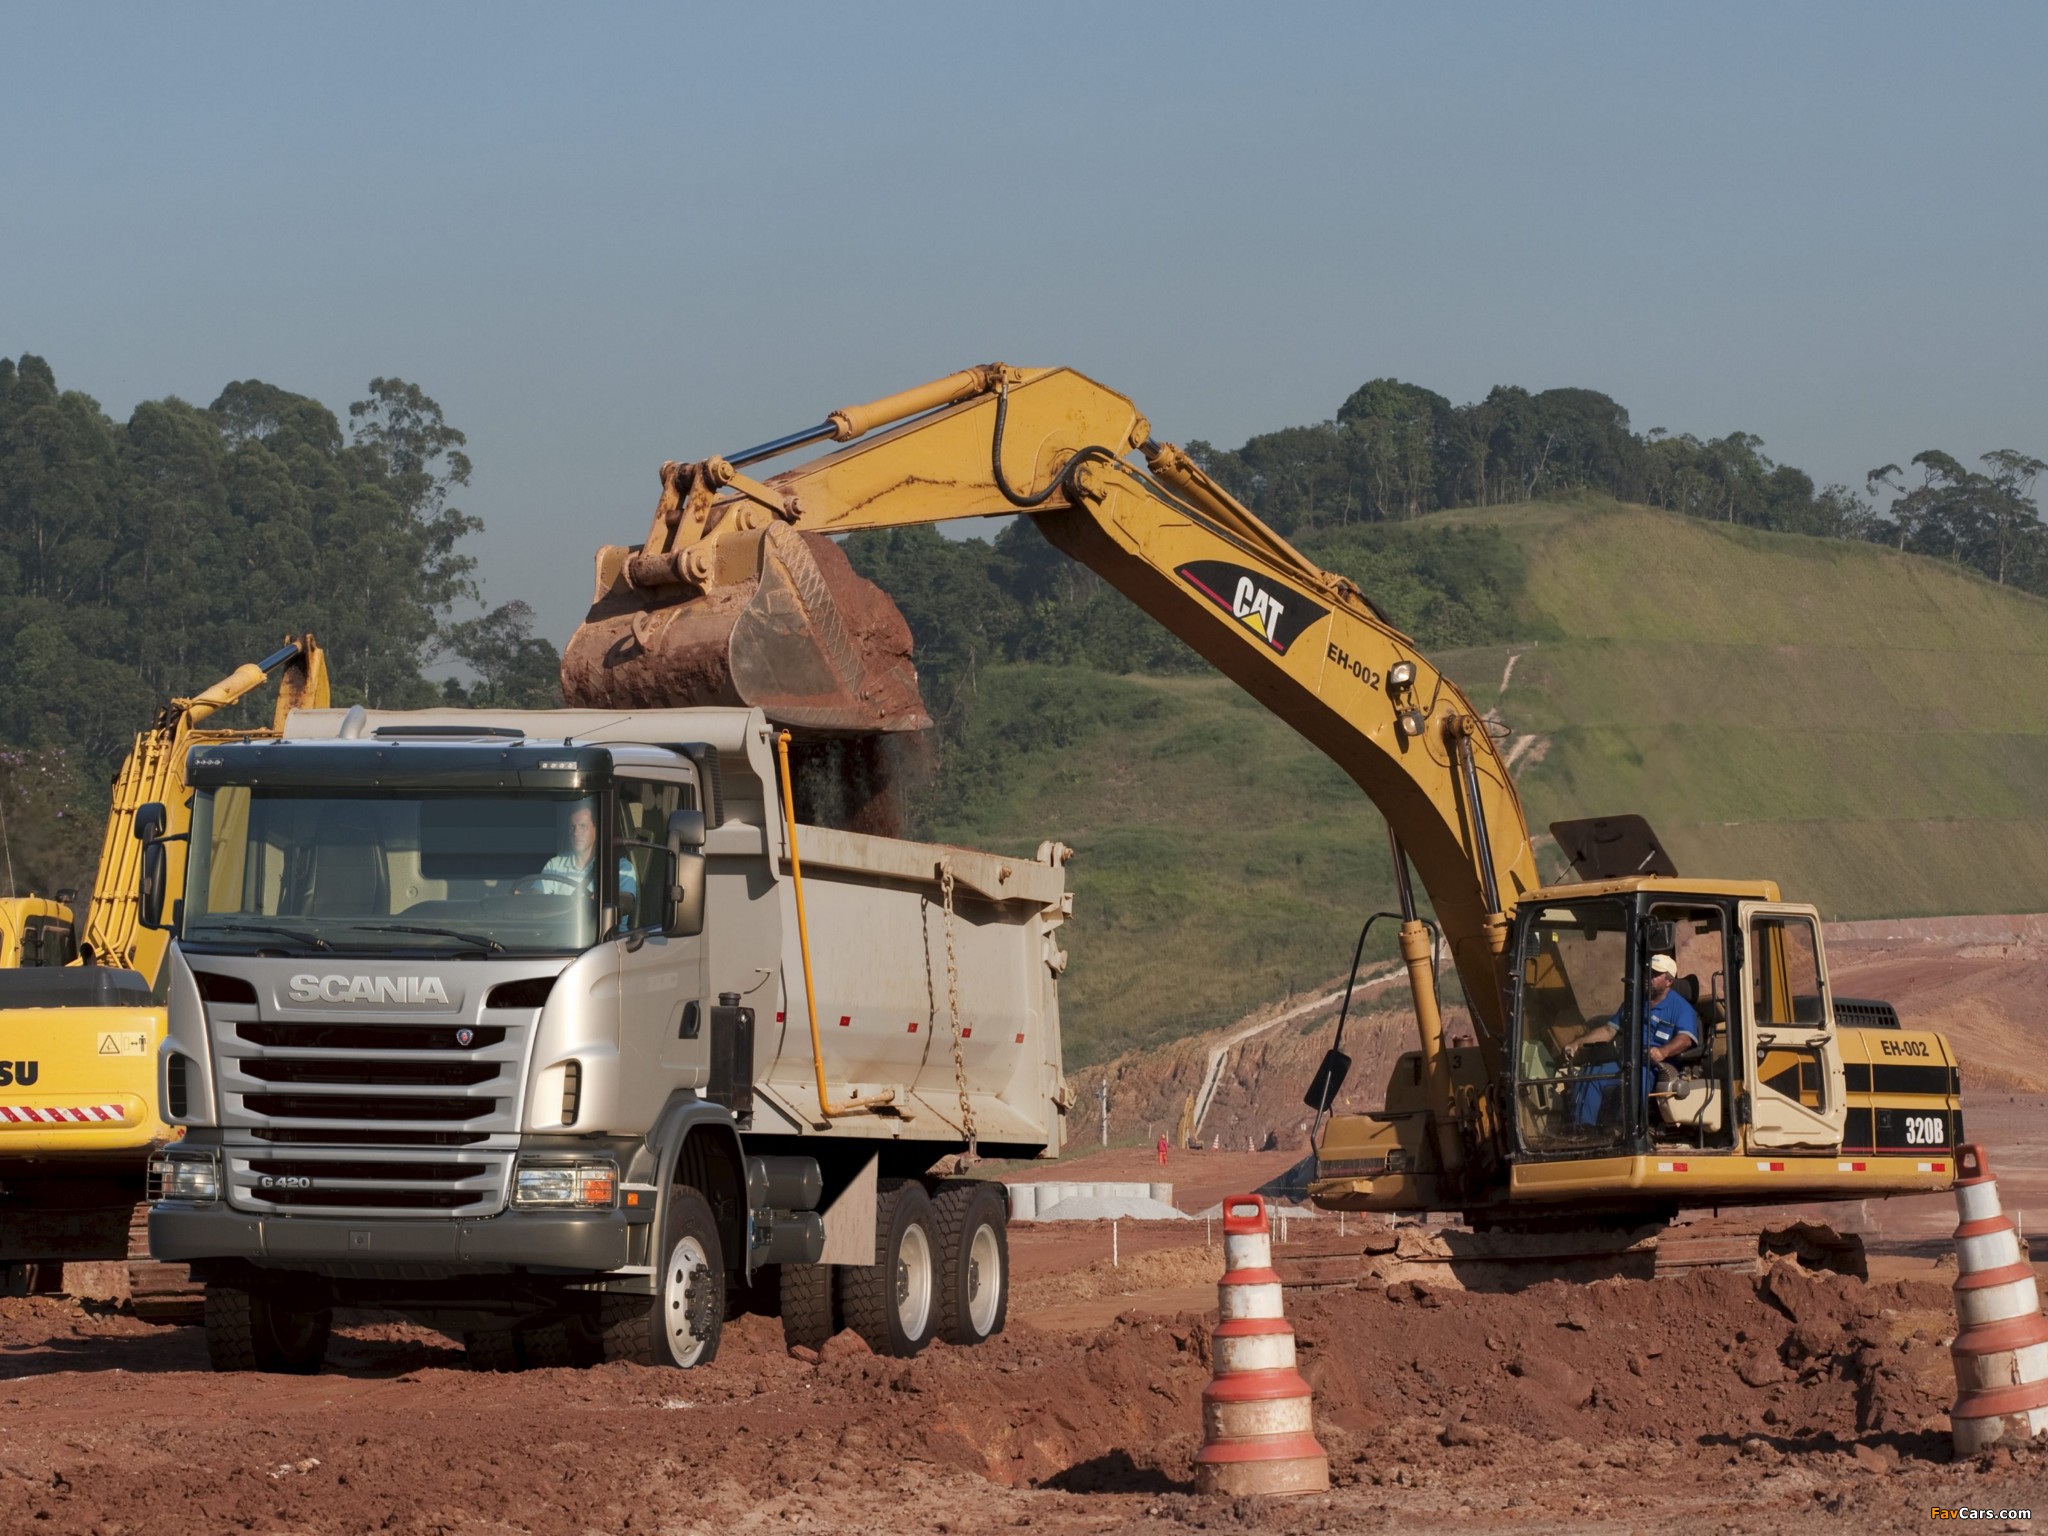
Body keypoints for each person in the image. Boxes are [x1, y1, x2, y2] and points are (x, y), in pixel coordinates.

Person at [1569, 953, 1699, 1132]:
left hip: (1653, 1067)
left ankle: (1624, 1131)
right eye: (1647, 972)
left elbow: (1685, 1040)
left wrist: (1662, 1052)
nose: (1648, 977)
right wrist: (1578, 1042)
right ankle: (1582, 1131)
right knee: (1590, 1074)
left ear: (1669, 981)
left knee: (1635, 1080)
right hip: (1627, 1060)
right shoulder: (1634, 1002)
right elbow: (1608, 1031)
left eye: (1654, 974)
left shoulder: (1681, 1008)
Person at [532, 805, 637, 904]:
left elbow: (627, 901)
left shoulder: (620, 867)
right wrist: (526, 897)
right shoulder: (555, 865)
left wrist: (605, 900)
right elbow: (537, 892)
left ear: (596, 829)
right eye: (572, 827)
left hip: (604, 923)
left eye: (582, 826)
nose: (576, 833)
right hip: (562, 923)